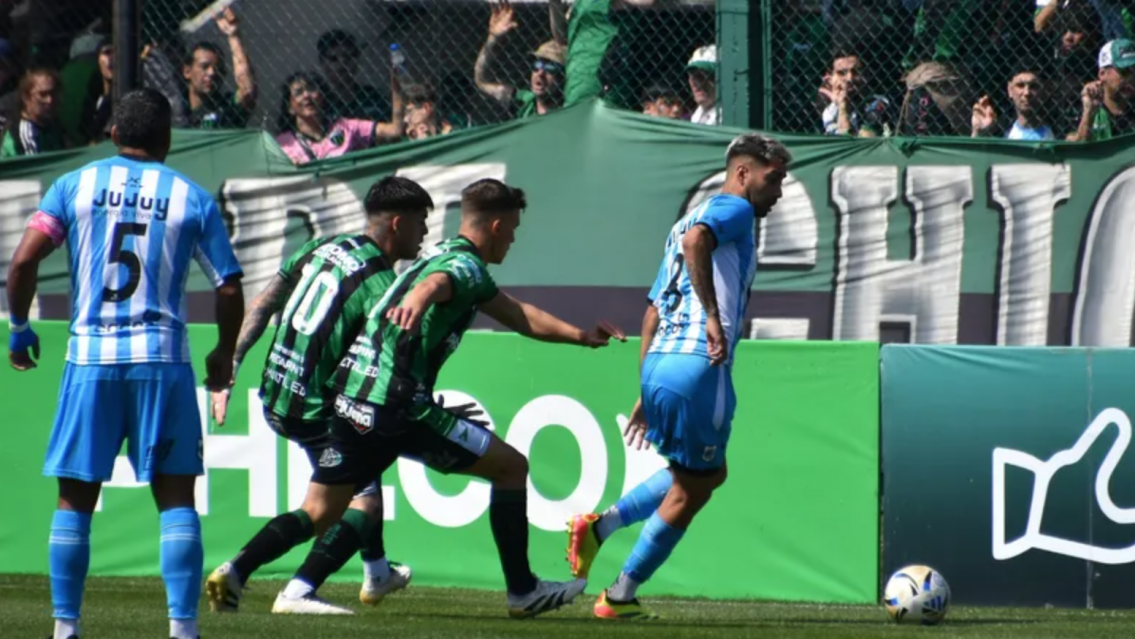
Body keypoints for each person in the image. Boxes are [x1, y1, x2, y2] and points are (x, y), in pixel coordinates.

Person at [269, 179, 626, 617]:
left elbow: (517, 314)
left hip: (361, 399)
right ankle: (522, 591)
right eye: (512, 230)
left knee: (333, 507)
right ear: (496, 226)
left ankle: (273, 578)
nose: (512, 240)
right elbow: (440, 284)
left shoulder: (440, 252)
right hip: (402, 407)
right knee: (511, 467)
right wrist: (420, 297)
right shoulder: (465, 267)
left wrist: (580, 337)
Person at [5, 88, 244, 639]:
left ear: (113, 133)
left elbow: (21, 264)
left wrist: (19, 332)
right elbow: (229, 286)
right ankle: (183, 631)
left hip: (90, 359)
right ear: (167, 140)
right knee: (176, 496)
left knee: (75, 498)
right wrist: (223, 352)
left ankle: (66, 630)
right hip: (162, 360)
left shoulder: (74, 186)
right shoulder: (191, 197)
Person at [565, 133, 791, 620]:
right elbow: (698, 243)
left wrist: (645, 385)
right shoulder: (734, 210)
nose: (778, 192)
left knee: (705, 474)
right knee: (695, 487)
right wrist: (712, 315)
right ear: (743, 173)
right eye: (773, 180)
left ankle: (599, 528)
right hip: (698, 366)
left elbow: (652, 310)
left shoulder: (680, 223)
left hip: (663, 364)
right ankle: (620, 593)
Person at [204, 176, 434, 614]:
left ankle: (377, 570)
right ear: (398, 223)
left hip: (275, 392)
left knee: (366, 466)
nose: (424, 233)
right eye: (421, 222)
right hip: (315, 411)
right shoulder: (381, 284)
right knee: (355, 506)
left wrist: (232, 364)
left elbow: (264, 303)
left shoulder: (322, 246)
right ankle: (278, 584)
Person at [275, 72, 404, 165]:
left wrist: (396, 87)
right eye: (298, 92)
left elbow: (394, 131)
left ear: (322, 97)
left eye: (311, 88)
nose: (307, 95)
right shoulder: (282, 144)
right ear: (290, 108)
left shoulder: (345, 126)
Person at [1, 68, 68, 157]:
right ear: (26, 98)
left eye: (53, 93)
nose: (49, 100)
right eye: (42, 94)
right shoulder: (25, 132)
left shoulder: (52, 124)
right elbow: (37, 167)